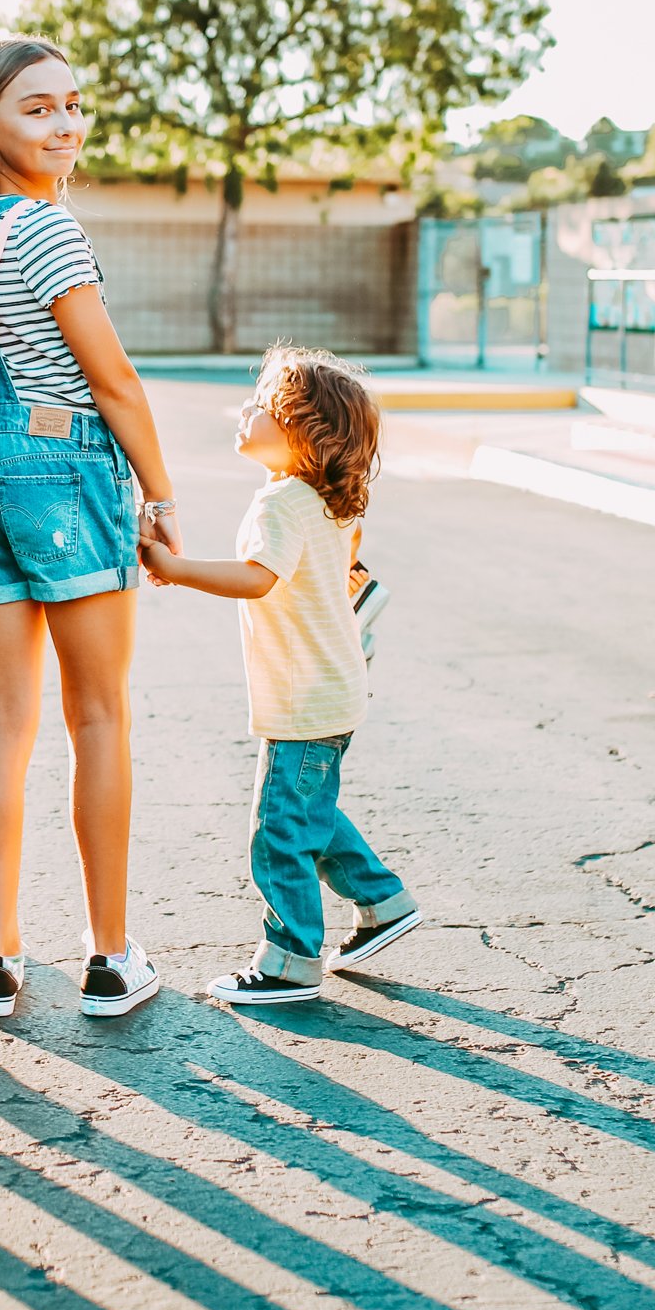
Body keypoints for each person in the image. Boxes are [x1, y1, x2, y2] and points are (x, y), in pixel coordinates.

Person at [0, 37, 182, 1021]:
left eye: (70, 104)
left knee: (0, 719)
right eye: (36, 109)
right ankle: (107, 957)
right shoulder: (47, 233)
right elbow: (112, 381)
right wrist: (158, 491)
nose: (63, 125)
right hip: (64, 473)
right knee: (96, 714)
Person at [139, 345, 420, 1006]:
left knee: (277, 832)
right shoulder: (325, 500)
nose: (244, 411)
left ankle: (291, 957)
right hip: (330, 690)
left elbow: (257, 580)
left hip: (303, 699)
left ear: (304, 432)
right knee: (307, 816)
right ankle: (381, 901)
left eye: (262, 407)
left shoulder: (282, 504)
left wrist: (174, 569)